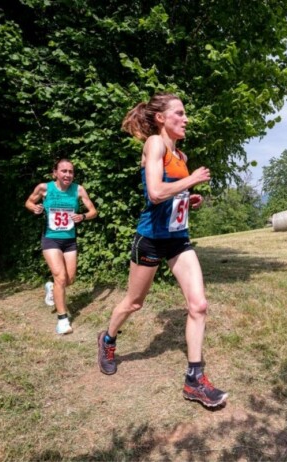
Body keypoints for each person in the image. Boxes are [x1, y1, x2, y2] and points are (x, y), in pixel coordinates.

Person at [97, 92, 228, 408]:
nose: (186, 119)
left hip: (178, 239)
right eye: (179, 113)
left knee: (198, 305)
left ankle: (194, 380)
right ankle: (108, 339)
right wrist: (191, 180)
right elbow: (155, 193)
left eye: (185, 114)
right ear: (161, 118)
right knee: (134, 302)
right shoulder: (155, 144)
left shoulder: (181, 155)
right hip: (151, 239)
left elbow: (171, 195)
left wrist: (187, 199)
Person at [25, 159, 97, 335]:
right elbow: (29, 202)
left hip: (69, 240)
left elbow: (93, 211)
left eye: (70, 172)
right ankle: (62, 320)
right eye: (64, 171)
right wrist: (34, 208)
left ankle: (51, 288)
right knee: (60, 276)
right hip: (51, 239)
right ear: (55, 173)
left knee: (69, 279)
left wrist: (83, 216)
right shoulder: (44, 188)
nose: (68, 174)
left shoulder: (78, 189)